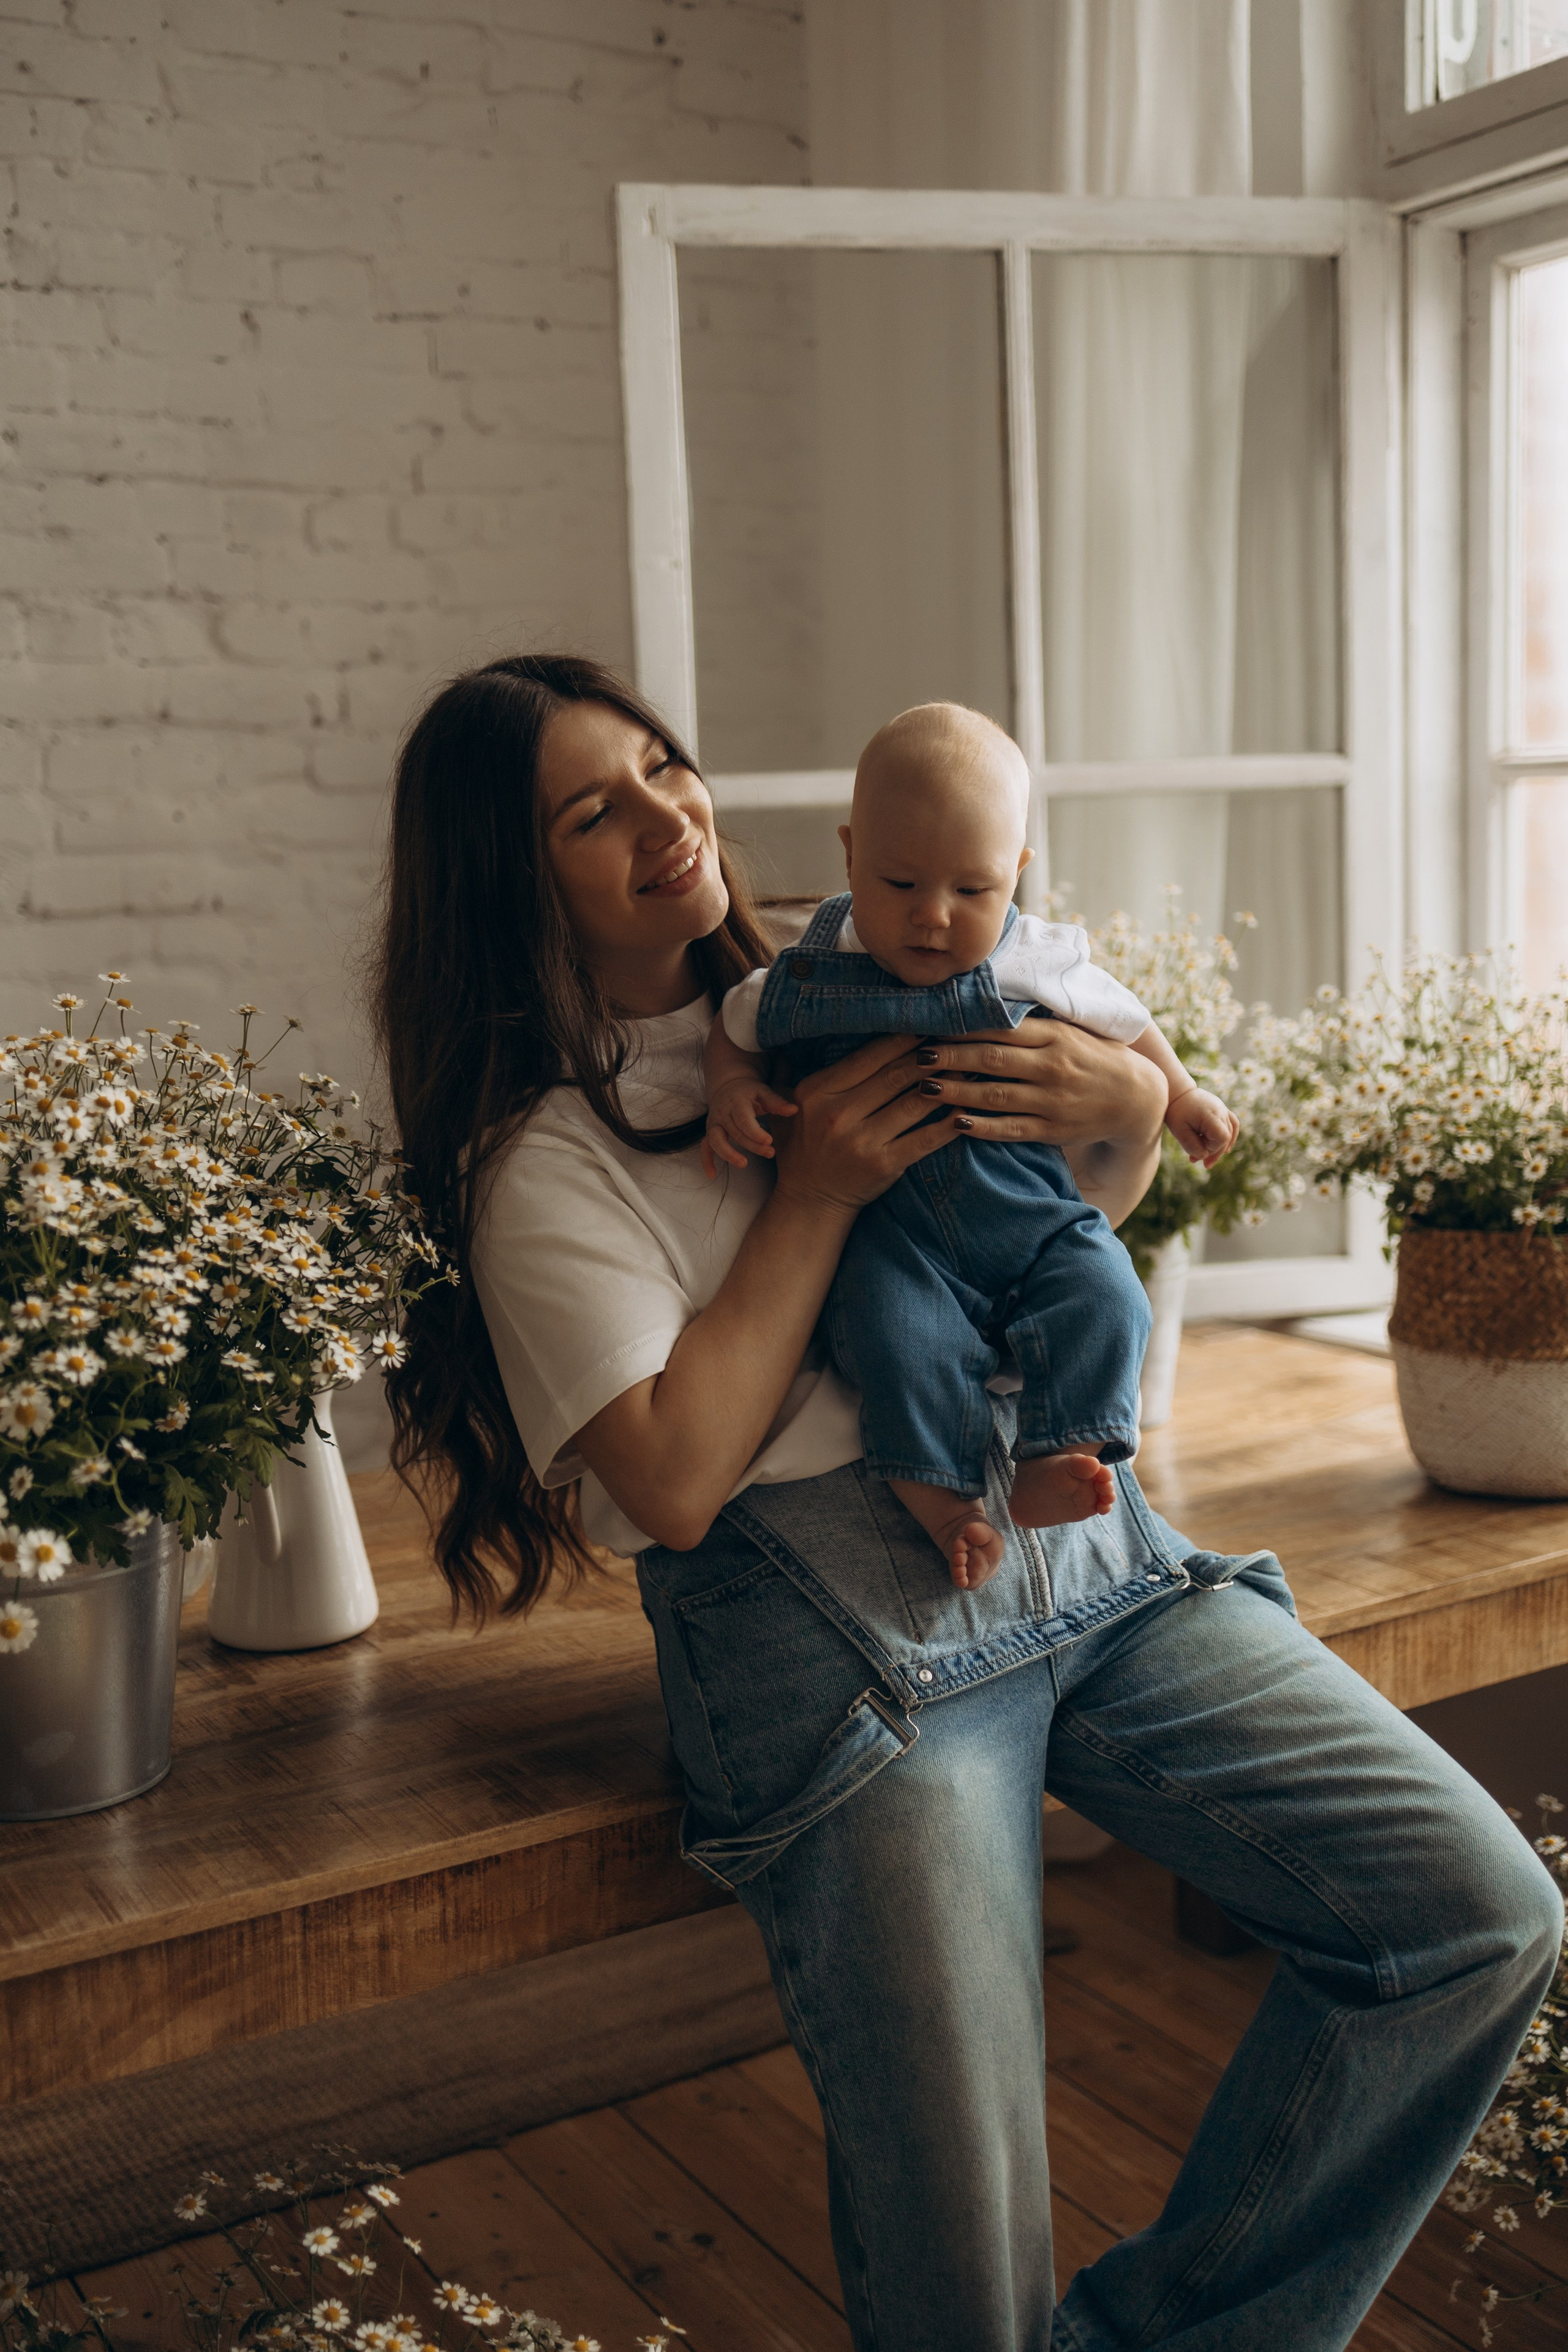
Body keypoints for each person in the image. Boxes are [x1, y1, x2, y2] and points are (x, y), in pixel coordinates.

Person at [372, 652, 1562, 2352]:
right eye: (591, 809)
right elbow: (677, 1478)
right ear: (511, 874)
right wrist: (815, 1193)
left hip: (1087, 1557)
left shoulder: (850, 958)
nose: (666, 814)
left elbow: (1057, 1213)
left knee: (1477, 1920)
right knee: (965, 2270)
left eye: (660, 766)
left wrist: (1134, 1105)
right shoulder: (542, 1156)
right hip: (841, 1655)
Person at [703, 699, 1238, 1588]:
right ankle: (943, 1500)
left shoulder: (1039, 960)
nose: (934, 917)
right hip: (895, 1240)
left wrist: (1178, 1093)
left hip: (1036, 1221)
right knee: (892, 1337)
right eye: (900, 884)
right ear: (849, 854)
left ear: (1017, 874)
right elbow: (736, 1024)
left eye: (973, 890)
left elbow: (1131, 1024)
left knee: (1111, 1293)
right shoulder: (810, 965)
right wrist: (729, 1087)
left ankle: (1053, 1456)